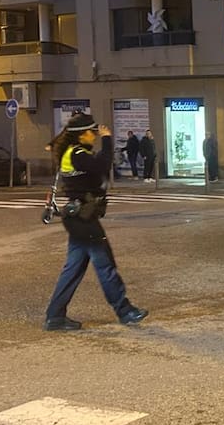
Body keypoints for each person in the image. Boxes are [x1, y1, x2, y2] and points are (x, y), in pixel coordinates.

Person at [44, 112, 147, 330]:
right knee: (105, 265)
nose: (95, 136)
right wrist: (108, 139)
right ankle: (124, 310)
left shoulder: (72, 152)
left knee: (73, 269)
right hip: (84, 219)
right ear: (82, 135)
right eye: (92, 132)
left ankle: (55, 316)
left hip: (78, 218)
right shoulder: (77, 154)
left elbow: (94, 167)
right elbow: (102, 166)